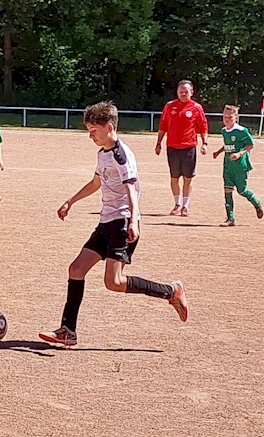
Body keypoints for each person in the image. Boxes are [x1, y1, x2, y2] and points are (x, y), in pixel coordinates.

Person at [38, 101, 188, 347]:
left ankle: (170, 291)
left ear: (109, 127)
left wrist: (134, 220)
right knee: (76, 269)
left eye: (93, 130)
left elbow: (132, 190)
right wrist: (70, 201)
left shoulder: (122, 154)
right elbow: (95, 183)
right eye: (88, 130)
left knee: (114, 282)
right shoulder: (103, 154)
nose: (90, 135)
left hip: (122, 223)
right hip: (106, 222)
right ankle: (68, 331)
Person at [155, 79, 209, 217]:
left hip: (189, 147)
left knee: (187, 178)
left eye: (186, 91)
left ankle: (185, 206)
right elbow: (163, 125)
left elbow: (203, 126)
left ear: (191, 92)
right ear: (177, 92)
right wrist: (158, 143)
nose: (183, 93)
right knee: (174, 178)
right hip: (172, 147)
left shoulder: (196, 108)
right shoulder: (169, 106)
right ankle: (177, 204)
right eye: (181, 91)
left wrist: (205, 143)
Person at [212, 104, 263, 226]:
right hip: (228, 166)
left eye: (230, 117)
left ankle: (257, 204)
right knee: (227, 190)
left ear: (236, 117)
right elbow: (227, 145)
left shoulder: (241, 131)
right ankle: (230, 218)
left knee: (242, 191)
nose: (227, 119)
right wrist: (218, 152)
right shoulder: (224, 131)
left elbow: (250, 145)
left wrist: (239, 154)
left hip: (240, 166)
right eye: (225, 117)